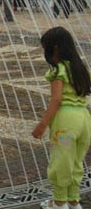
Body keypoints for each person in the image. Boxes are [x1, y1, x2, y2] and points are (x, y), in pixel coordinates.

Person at [32, 27, 91, 209]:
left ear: (55, 49)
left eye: (47, 49)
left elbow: (56, 100)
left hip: (65, 122)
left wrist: (42, 125)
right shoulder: (80, 67)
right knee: (75, 161)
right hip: (84, 119)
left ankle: (59, 203)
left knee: (60, 161)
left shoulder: (59, 71)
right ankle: (73, 201)